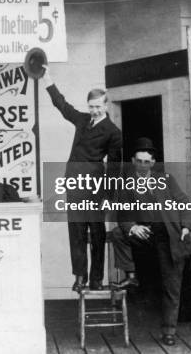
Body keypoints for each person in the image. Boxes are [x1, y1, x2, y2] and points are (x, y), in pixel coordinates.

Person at [42, 66, 122, 292]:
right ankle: (80, 276)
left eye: (98, 107)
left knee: (96, 234)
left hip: (96, 190)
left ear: (106, 106)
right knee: (76, 233)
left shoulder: (113, 132)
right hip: (75, 187)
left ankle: (96, 278)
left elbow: (114, 169)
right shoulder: (83, 120)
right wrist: (47, 78)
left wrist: (109, 197)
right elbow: (62, 105)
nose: (94, 111)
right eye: (91, 107)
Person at [110, 137, 191, 347]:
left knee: (171, 284)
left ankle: (169, 331)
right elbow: (122, 213)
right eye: (139, 161)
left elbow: (185, 202)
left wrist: (185, 227)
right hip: (145, 235)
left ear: (153, 163)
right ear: (133, 161)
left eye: (147, 162)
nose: (142, 166)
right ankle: (131, 275)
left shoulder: (166, 179)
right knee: (118, 233)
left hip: (168, 235)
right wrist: (133, 227)